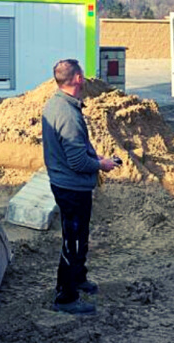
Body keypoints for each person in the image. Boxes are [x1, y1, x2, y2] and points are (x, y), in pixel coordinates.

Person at [42, 59, 118, 315]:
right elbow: (76, 160)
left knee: (79, 236)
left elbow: (71, 152)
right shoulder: (67, 114)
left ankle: (78, 277)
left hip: (67, 183)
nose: (85, 78)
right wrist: (101, 165)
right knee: (72, 241)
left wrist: (95, 158)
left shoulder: (57, 104)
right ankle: (66, 296)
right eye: (82, 75)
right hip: (72, 188)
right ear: (76, 79)